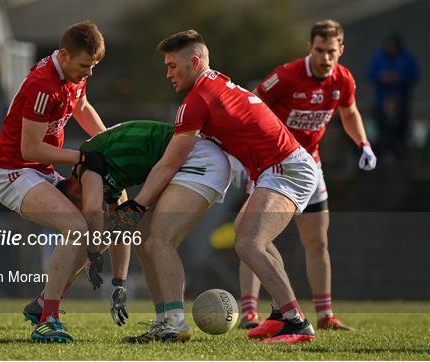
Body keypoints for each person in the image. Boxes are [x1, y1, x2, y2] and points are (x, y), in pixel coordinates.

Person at [113, 30, 320, 344]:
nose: (167, 73)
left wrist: (137, 204)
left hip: (286, 169)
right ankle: (281, 315)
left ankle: (296, 322)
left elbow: (169, 162)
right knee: (251, 237)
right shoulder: (216, 82)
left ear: (194, 62)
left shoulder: (198, 99)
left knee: (249, 241)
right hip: (279, 168)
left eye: (172, 65)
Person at [20, 120, 231, 341]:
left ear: (74, 189)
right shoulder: (109, 184)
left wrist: (92, 252)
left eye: (76, 210)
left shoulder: (87, 164)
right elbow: (121, 231)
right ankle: (164, 322)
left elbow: (92, 210)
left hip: (197, 159)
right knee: (145, 240)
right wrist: (119, 283)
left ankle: (176, 322)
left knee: (157, 241)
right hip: (196, 159)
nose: (80, 214)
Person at [237, 19, 377, 336]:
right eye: (319, 50)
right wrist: (247, 155)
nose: (325, 58)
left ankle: (326, 314)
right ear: (309, 48)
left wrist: (363, 143)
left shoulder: (343, 79)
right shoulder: (286, 76)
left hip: (310, 167)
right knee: (252, 236)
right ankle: (250, 312)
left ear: (341, 50)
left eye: (331, 51)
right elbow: (251, 105)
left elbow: (349, 112)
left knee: (317, 241)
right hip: (273, 166)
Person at [0, 21, 107, 342]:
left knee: (93, 237)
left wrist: (108, 141)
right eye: (84, 66)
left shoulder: (73, 74)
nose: (89, 73)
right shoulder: (44, 84)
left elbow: (82, 107)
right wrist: (82, 158)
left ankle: (43, 303)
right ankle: (48, 317)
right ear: (65, 55)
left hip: (40, 171)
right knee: (76, 228)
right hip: (14, 174)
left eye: (94, 66)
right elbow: (30, 148)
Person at [367, 32, 419, 159]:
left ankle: (401, 154)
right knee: (381, 131)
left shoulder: (407, 58)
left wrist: (398, 77)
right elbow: (370, 74)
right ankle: (381, 154)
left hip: (402, 101)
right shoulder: (379, 58)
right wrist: (382, 77)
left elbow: (415, 75)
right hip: (381, 102)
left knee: (401, 132)